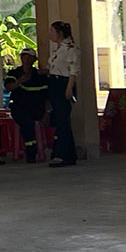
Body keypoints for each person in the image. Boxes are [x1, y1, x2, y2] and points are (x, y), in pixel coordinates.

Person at [6, 48, 49, 163]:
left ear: (34, 60)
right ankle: (31, 150)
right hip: (19, 108)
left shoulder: (40, 76)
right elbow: (8, 87)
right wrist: (20, 81)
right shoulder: (14, 74)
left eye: (29, 57)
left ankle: (37, 149)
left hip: (36, 109)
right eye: (24, 57)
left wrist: (47, 112)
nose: (26, 60)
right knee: (26, 121)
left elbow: (46, 97)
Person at [46, 20, 80, 167]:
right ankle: (68, 154)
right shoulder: (57, 49)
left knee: (62, 119)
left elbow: (73, 70)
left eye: (52, 31)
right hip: (54, 82)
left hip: (64, 83)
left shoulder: (70, 49)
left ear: (60, 33)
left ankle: (62, 154)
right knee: (59, 118)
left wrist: (69, 88)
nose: (50, 34)